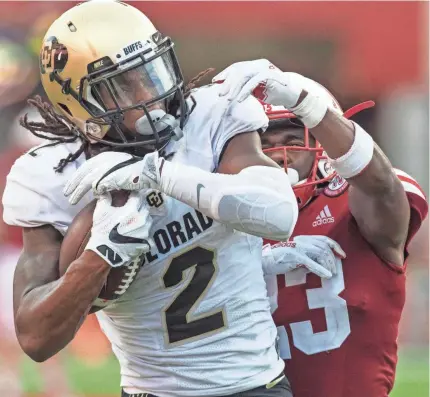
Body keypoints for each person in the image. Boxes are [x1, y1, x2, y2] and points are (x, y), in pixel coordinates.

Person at [2, 3, 342, 397]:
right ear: (77, 104)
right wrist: (99, 257)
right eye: (122, 85)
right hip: (151, 389)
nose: (151, 95)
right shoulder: (51, 174)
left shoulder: (210, 117)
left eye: (152, 71)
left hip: (254, 385)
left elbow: (277, 213)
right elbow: (35, 337)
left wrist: (158, 175)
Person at [213, 59, 428, 397]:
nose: (280, 154)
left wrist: (308, 104)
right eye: (262, 142)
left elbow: (382, 188)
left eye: (294, 139)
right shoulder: (214, 217)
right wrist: (256, 258)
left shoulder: (355, 207)